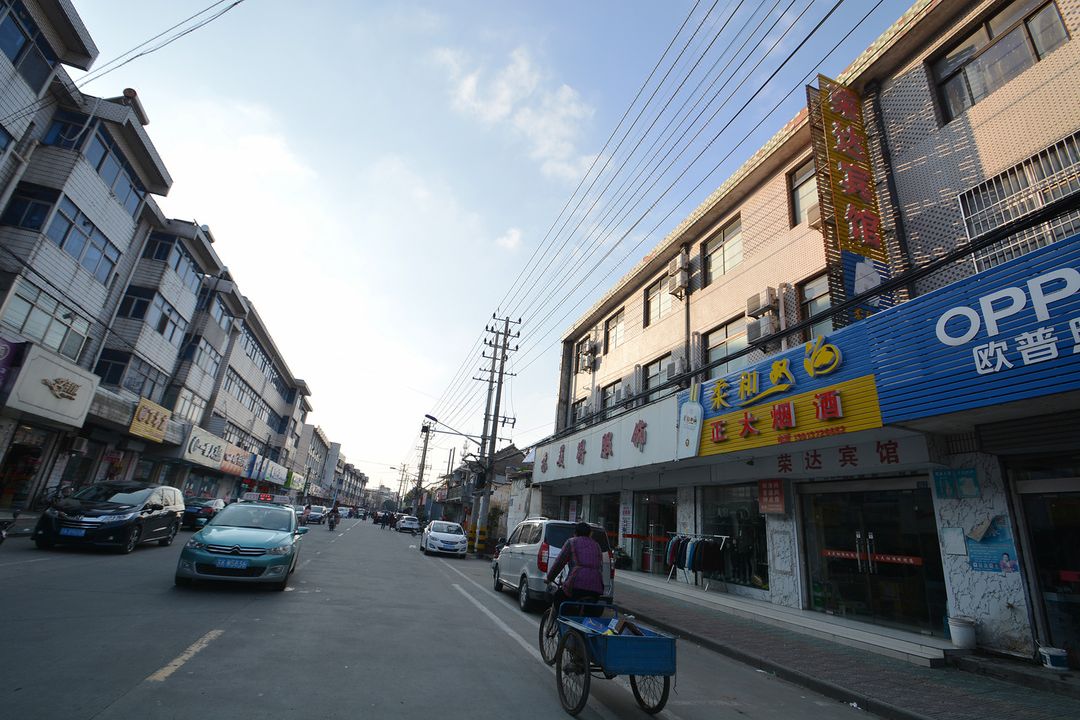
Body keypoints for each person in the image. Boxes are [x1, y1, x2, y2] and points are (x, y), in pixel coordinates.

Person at [545, 522, 605, 613]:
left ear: (575, 533)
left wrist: (550, 578)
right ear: (590, 534)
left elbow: (559, 562)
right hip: (596, 587)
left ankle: (562, 620)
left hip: (575, 585)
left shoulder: (572, 542)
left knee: (558, 597)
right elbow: (600, 566)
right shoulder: (597, 545)